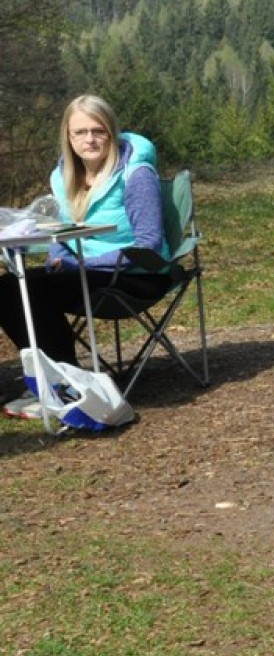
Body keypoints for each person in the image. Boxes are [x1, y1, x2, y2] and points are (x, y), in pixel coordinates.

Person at [0, 95, 171, 419]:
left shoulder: (136, 173)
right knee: (9, 287)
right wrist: (56, 257)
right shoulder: (63, 176)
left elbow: (148, 244)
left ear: (112, 133)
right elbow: (63, 230)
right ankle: (52, 380)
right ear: (68, 136)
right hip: (85, 271)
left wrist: (79, 264)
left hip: (137, 275)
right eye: (80, 132)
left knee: (33, 289)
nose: (89, 139)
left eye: (98, 131)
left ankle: (69, 386)